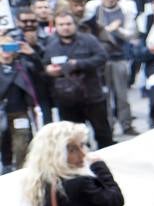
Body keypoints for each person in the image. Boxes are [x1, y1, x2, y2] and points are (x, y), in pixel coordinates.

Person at [42, 12, 112, 148]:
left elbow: (102, 57)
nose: (65, 27)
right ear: (56, 26)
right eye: (61, 25)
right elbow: (45, 65)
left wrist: (78, 64)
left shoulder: (88, 40)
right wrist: (49, 70)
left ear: (74, 25)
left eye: (68, 24)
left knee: (103, 133)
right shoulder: (51, 46)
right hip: (67, 99)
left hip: (92, 96)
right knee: (74, 138)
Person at [84, 0, 139, 137]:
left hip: (118, 56)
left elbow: (131, 34)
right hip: (99, 59)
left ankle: (126, 124)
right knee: (104, 95)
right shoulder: (93, 11)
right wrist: (107, 29)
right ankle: (108, 125)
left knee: (122, 94)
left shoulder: (125, 11)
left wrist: (117, 29)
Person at [0, 36, 39, 170]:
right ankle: (6, 169)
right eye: (1, 47)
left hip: (20, 112)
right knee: (4, 145)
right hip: (1, 114)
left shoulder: (22, 65)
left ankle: (21, 171)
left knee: (21, 145)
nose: (5, 51)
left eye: (8, 47)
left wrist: (31, 53)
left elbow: (40, 70)